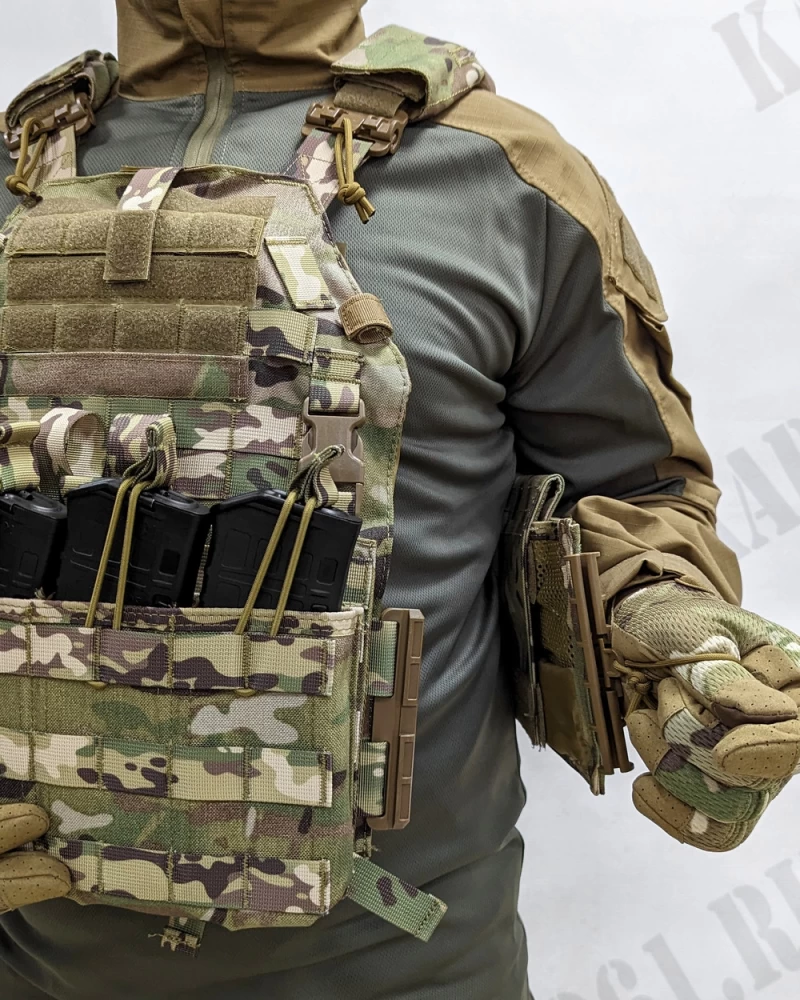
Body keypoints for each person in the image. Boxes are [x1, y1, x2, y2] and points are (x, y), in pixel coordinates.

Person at [0, 3, 798, 998]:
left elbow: (630, 488)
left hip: (414, 963)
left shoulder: (504, 175)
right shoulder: (16, 171)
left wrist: (661, 615)